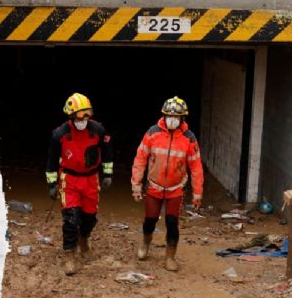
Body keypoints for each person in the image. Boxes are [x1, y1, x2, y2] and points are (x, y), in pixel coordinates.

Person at [130, 96, 204, 271]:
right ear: (163, 116)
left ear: (182, 119)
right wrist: (136, 184)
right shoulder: (152, 133)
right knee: (150, 220)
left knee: (172, 223)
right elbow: (140, 158)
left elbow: (196, 167)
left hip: (175, 189)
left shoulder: (189, 138)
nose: (172, 120)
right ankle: (145, 243)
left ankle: (170, 256)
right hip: (154, 186)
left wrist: (197, 192)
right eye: (169, 116)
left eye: (176, 117)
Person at [45, 93, 113, 275]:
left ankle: (84, 238)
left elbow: (107, 151)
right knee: (70, 218)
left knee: (90, 217)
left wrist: (107, 174)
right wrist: (52, 184)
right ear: (71, 116)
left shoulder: (98, 130)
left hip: (91, 179)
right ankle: (69, 255)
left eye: (86, 115)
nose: (83, 120)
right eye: (79, 116)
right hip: (70, 180)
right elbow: (51, 161)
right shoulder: (60, 135)